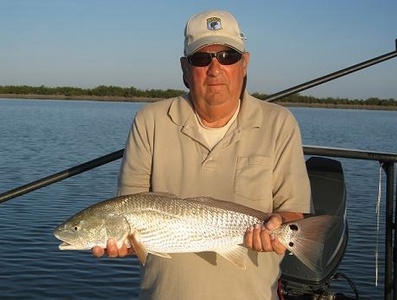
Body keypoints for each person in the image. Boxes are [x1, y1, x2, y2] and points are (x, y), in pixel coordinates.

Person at [92, 9, 312, 300]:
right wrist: (122, 242)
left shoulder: (279, 122)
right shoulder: (150, 121)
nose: (215, 68)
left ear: (244, 64)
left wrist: (276, 226)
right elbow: (129, 209)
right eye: (201, 58)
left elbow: (294, 209)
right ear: (184, 68)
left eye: (227, 56)